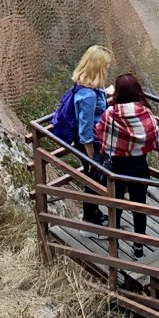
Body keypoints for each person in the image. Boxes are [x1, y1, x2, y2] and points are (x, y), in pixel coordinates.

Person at [96, 72, 159, 255]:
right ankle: (139, 246)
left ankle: (114, 243)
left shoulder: (111, 114)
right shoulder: (146, 112)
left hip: (117, 167)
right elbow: (154, 137)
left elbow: (100, 133)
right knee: (139, 206)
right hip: (139, 166)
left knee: (116, 206)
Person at [62, 45, 114, 225]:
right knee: (93, 179)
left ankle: (94, 214)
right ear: (98, 67)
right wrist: (92, 159)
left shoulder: (85, 85)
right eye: (106, 65)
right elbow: (85, 131)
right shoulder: (88, 96)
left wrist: (106, 94)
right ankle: (91, 218)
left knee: (93, 179)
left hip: (92, 140)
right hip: (90, 144)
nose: (108, 69)